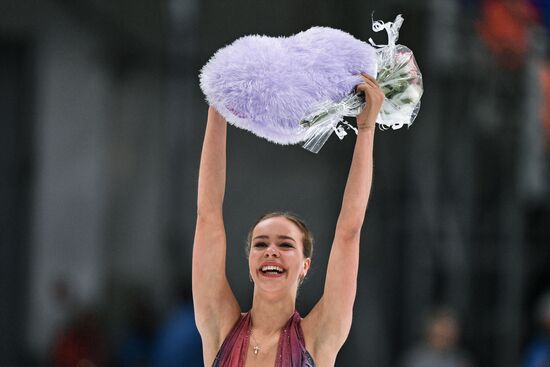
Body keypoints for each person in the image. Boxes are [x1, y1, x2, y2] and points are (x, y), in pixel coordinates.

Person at [192, 73, 383, 367]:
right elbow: (208, 217)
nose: (271, 251)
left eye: (285, 244)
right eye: (261, 244)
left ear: (305, 266)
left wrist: (367, 129)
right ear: (250, 261)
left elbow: (349, 232)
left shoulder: (319, 336)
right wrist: (216, 110)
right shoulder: (220, 328)